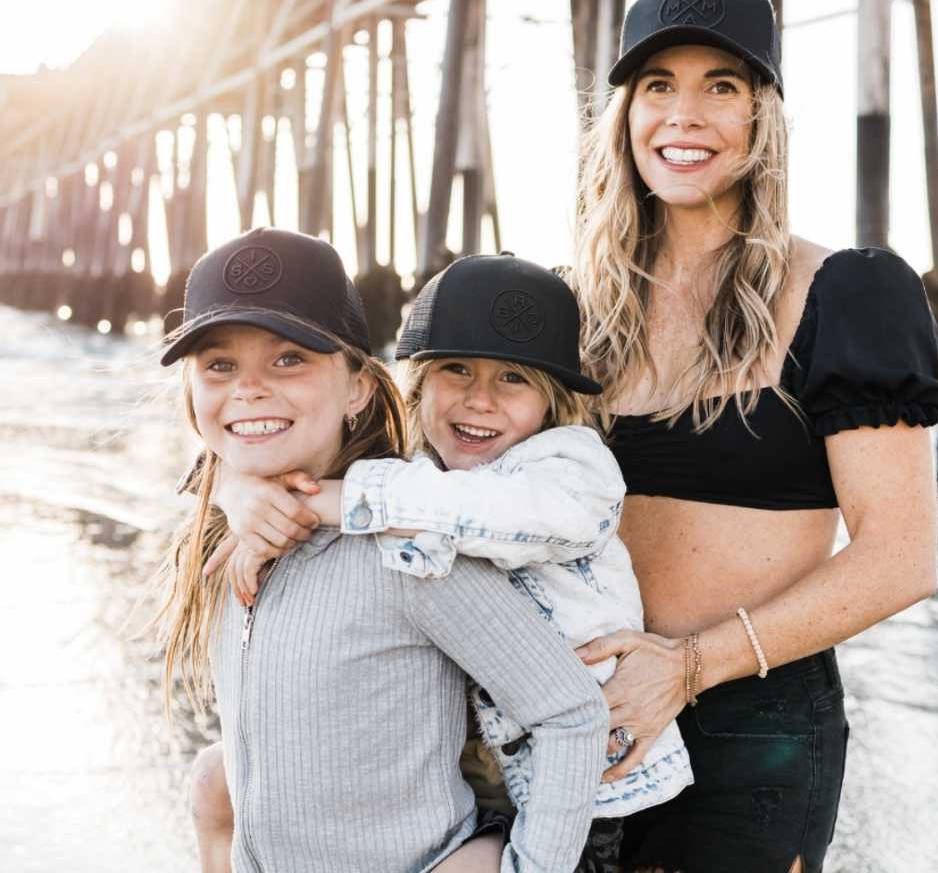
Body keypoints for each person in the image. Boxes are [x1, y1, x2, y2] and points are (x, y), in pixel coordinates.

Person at [561, 0, 938, 873]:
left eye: (720, 87)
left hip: (753, 724)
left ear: (762, 117)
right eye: (658, 86)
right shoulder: (571, 308)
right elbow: (453, 465)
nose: (683, 116)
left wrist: (688, 666)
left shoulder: (845, 291)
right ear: (624, 117)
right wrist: (270, 497)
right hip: (576, 710)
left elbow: (902, 558)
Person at [199, 253, 694, 873]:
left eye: (513, 378)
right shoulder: (421, 482)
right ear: (419, 384)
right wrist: (238, 489)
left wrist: (334, 499)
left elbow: (486, 511)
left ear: (553, 399)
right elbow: (237, 442)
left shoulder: (569, 473)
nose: (479, 400)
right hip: (486, 763)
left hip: (591, 782)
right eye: (456, 369)